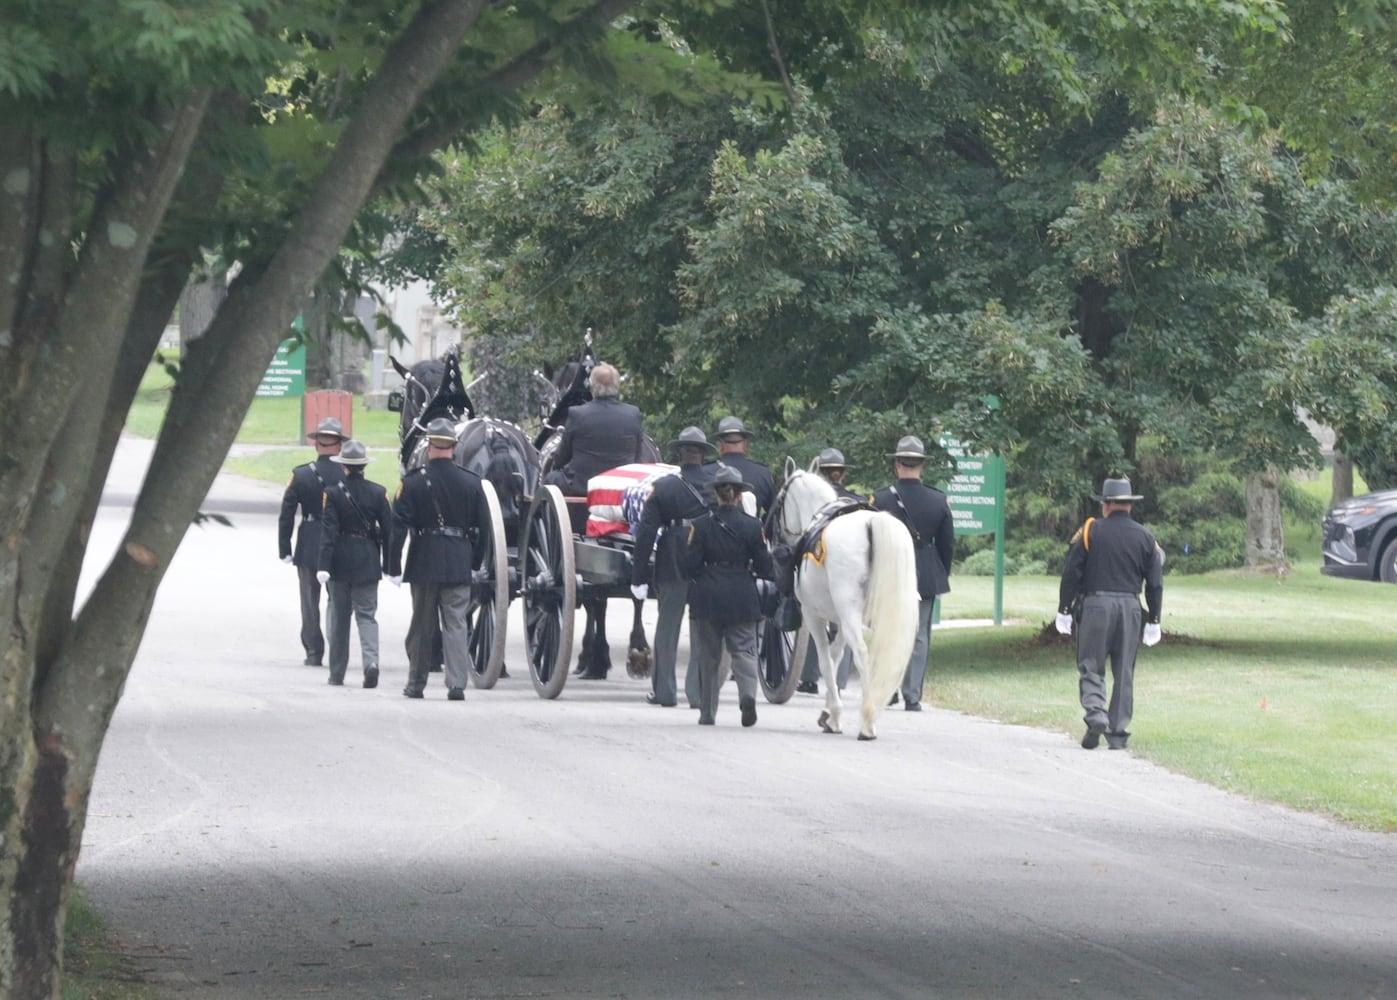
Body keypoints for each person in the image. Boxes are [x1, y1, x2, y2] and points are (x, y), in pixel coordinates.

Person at [1055, 477, 1165, 750]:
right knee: (1124, 670)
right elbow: (1155, 582)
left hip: (1096, 605)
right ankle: (1117, 731)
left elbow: (1072, 572)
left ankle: (1095, 713)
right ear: (1129, 506)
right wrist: (1154, 618)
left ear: (1106, 505)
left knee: (1091, 663)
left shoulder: (1091, 531)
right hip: (1130, 607)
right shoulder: (1145, 536)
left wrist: (1064, 609)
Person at [388, 417, 493, 701]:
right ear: (454, 448)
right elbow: (484, 529)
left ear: (429, 447)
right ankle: (457, 684)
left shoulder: (412, 483)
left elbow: (398, 527)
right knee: (456, 623)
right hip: (458, 559)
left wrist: (393, 565)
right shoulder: (472, 483)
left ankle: (416, 683)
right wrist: (474, 562)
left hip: (424, 559)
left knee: (422, 625)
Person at [629, 426, 718, 708]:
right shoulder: (719, 485)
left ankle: (665, 692)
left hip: (673, 557)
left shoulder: (664, 486)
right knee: (702, 628)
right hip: (707, 555)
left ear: (679, 455)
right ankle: (698, 693)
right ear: (703, 456)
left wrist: (639, 574)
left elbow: (645, 533)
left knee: (668, 627)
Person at [682, 464, 775, 727]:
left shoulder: (700, 526)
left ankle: (707, 712)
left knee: (709, 656)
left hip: (708, 595)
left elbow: (690, 565)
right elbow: (763, 566)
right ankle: (747, 696)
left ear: (717, 494)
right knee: (744, 651)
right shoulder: (752, 526)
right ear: (739, 495)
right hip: (741, 595)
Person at [870, 435, 954, 712]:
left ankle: (888, 689)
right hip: (925, 572)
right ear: (922, 466)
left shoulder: (880, 498)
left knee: (888, 630)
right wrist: (940, 572)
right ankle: (913, 694)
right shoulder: (939, 500)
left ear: (897, 465)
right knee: (918, 635)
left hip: (889, 570)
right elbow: (946, 546)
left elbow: (870, 543)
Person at [315, 440, 393, 689]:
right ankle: (371, 664)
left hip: (340, 562)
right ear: (363, 466)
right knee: (367, 617)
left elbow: (329, 534)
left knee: (340, 619)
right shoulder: (379, 493)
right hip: (368, 560)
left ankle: (337, 673)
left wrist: (323, 565)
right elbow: (389, 532)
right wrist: (391, 564)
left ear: (344, 467)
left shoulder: (333, 492)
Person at [278, 417, 347, 666]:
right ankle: (338, 648)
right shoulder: (347, 475)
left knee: (309, 601)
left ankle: (314, 651)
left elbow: (286, 514)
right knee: (338, 600)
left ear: (317, 445)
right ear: (339, 446)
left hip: (309, 538)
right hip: (339, 540)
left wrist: (284, 548)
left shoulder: (301, 474)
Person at [797, 447, 861, 694]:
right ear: (842, 475)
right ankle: (840, 678)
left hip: (817, 564)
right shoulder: (854, 502)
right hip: (847, 569)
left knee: (814, 617)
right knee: (845, 620)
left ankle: (810, 678)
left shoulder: (815, 504)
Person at [544, 362, 645, 496]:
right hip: (623, 487)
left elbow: (562, 457)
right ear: (617, 387)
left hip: (582, 488)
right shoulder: (633, 414)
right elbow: (638, 456)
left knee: (550, 478)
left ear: (592, 387)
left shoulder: (577, 414)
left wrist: (556, 465)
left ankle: (538, 516)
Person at [713, 415, 776, 520]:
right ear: (745, 444)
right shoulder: (763, 473)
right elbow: (773, 513)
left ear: (721, 445)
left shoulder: (707, 471)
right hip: (752, 533)